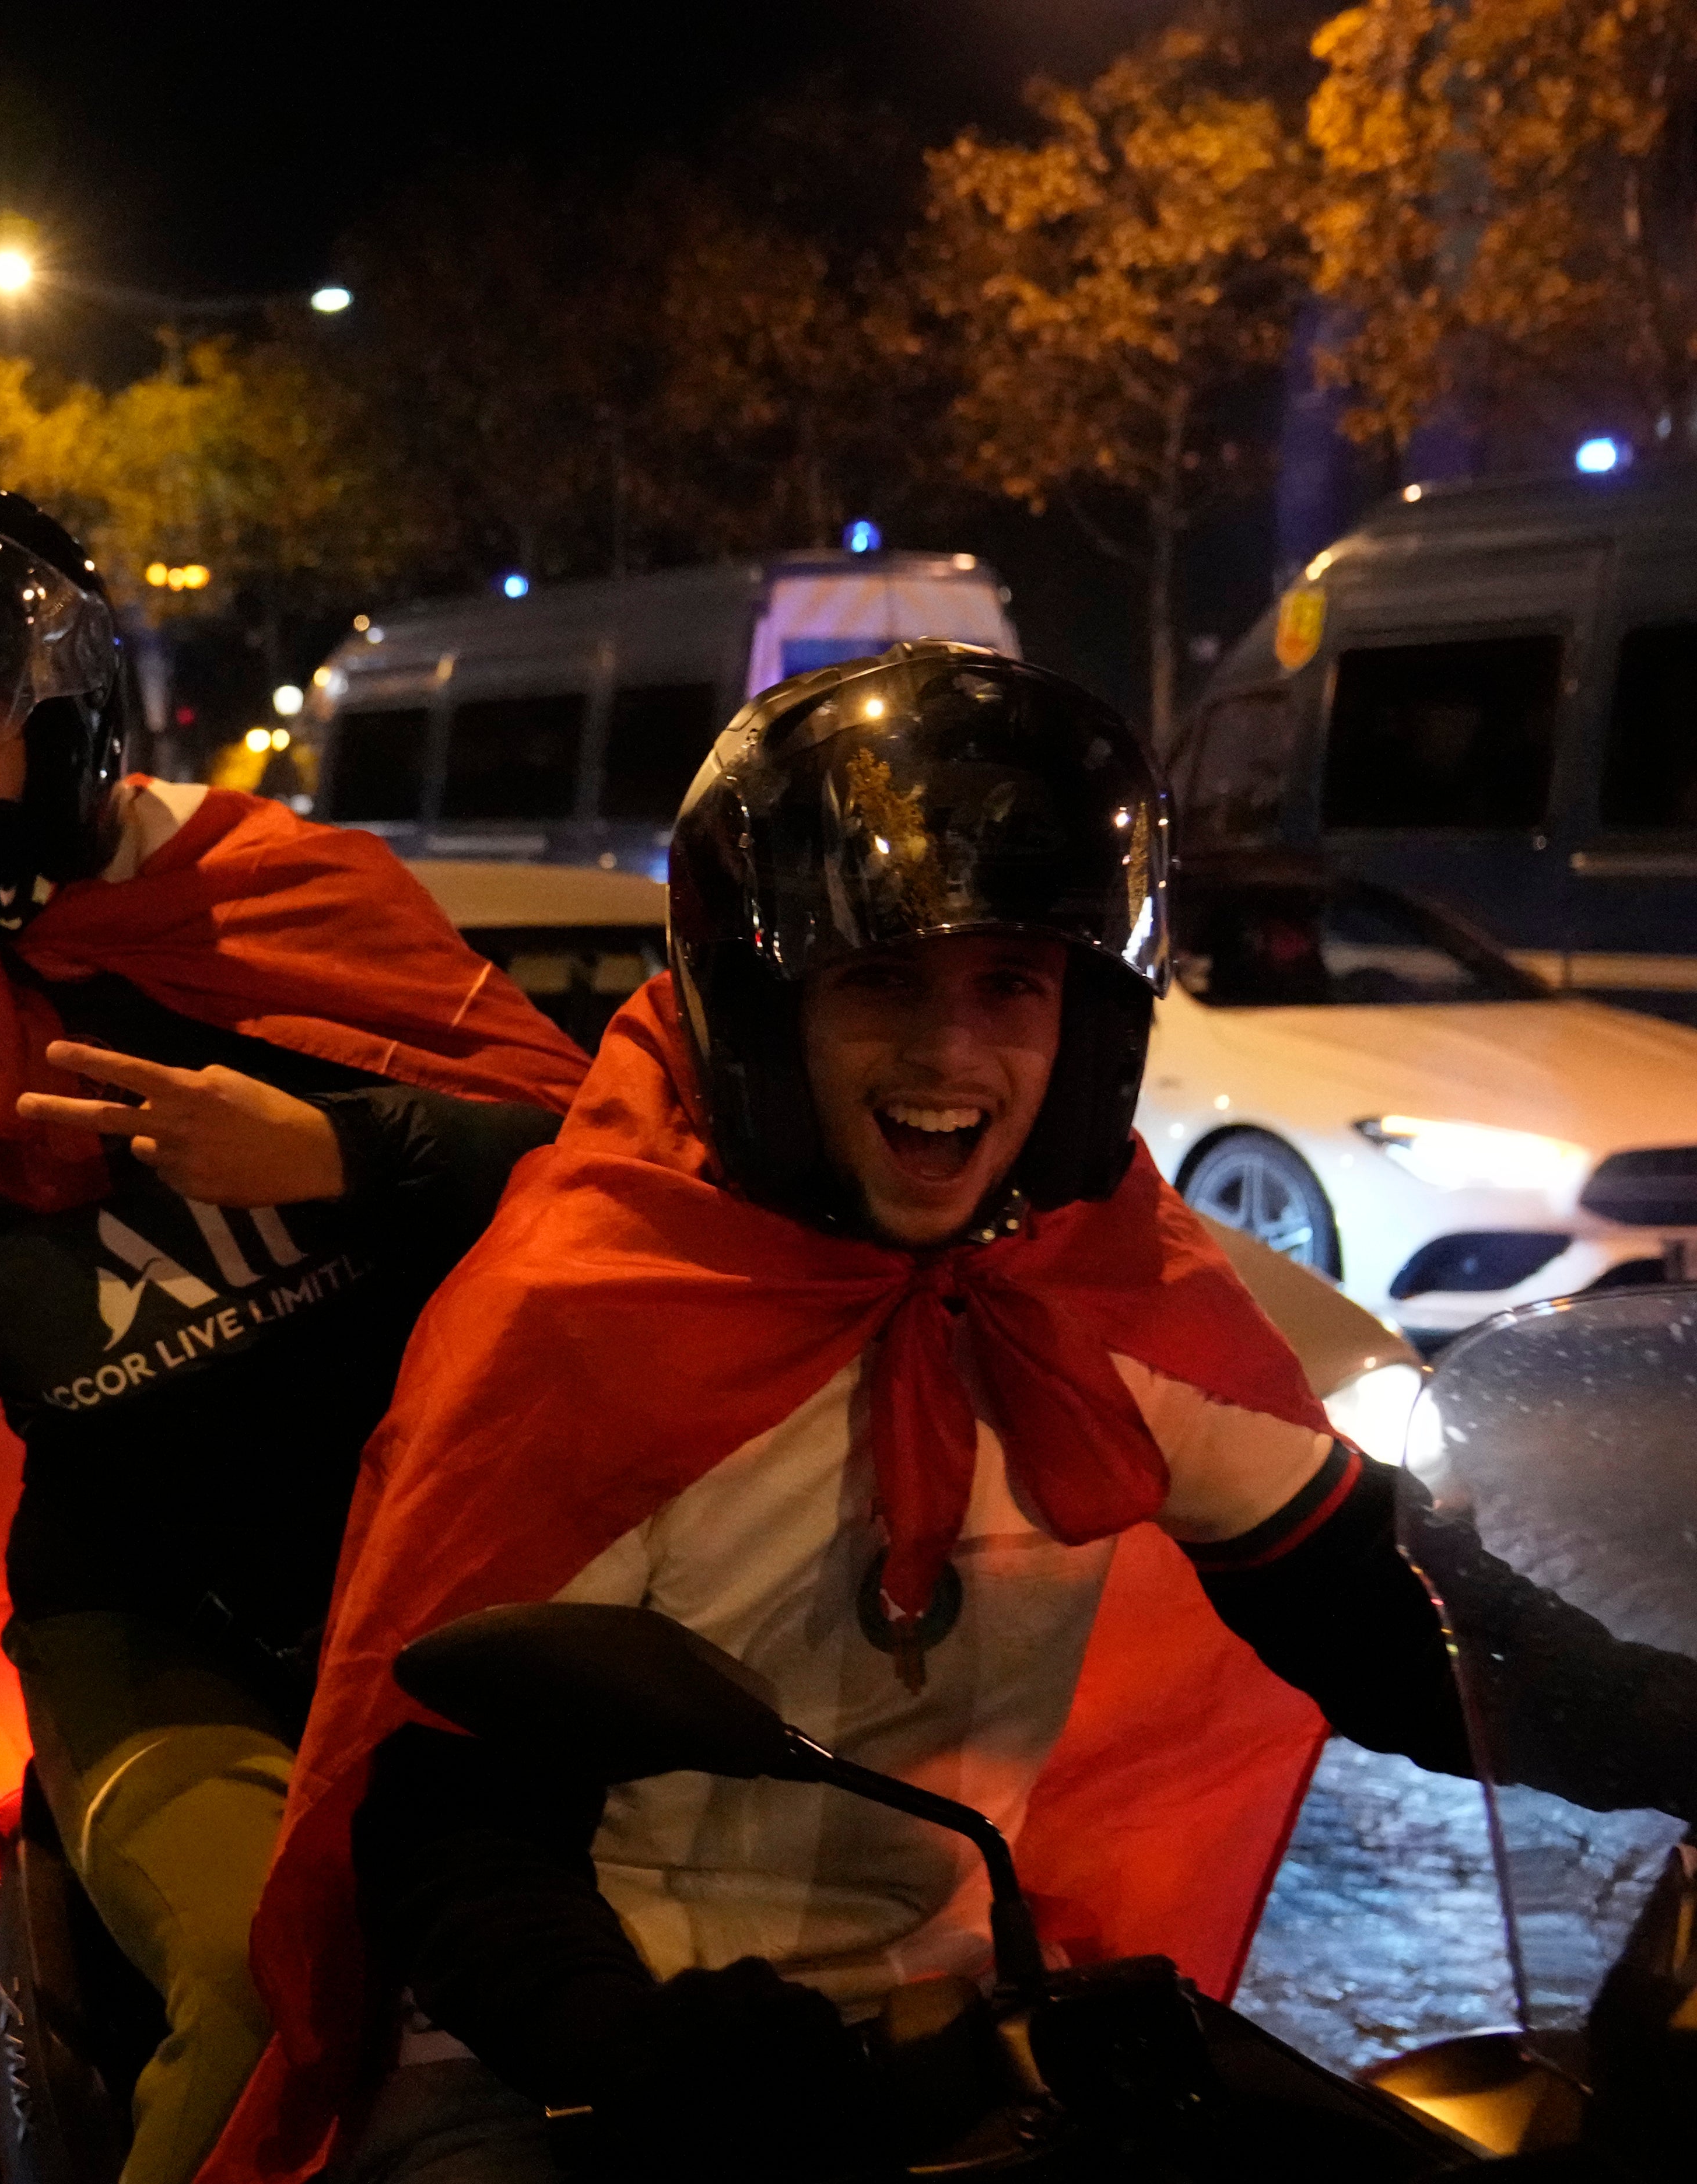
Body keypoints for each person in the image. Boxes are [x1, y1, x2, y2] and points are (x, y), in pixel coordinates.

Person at [198, 644, 1697, 2184]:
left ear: (1089, 1023)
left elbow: (1395, 1620)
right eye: (881, 981)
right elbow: (451, 1811)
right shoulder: (592, 1310)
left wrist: (1675, 1728)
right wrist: (627, 2049)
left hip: (959, 2036)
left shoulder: (1099, 1288)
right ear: (764, 1011)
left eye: (1011, 984)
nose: (951, 1052)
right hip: (577, 2062)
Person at [0, 480, 592, 2184]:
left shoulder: (296, 915)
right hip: (150, 1640)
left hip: (458, 1590)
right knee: (273, 1983)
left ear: (63, 731)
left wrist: (338, 1151)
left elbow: (619, 1195)